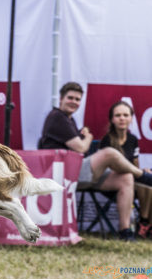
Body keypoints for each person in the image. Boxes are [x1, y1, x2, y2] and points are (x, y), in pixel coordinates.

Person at [39, 82, 152, 241]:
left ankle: (125, 231)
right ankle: (142, 177)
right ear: (61, 99)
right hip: (62, 174)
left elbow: (76, 145)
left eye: (78, 99)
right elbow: (80, 148)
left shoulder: (68, 119)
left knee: (125, 177)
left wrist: (81, 135)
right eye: (70, 98)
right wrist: (89, 137)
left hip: (74, 173)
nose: (74, 102)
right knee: (109, 154)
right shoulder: (57, 117)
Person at [100, 101, 152, 239]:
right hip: (114, 183)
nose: (122, 118)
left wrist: (143, 170)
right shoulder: (107, 140)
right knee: (145, 185)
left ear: (131, 118)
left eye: (125, 115)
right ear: (112, 119)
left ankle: (144, 223)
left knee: (147, 180)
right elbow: (106, 170)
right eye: (118, 115)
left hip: (132, 180)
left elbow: (135, 166)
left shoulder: (133, 139)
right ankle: (144, 224)